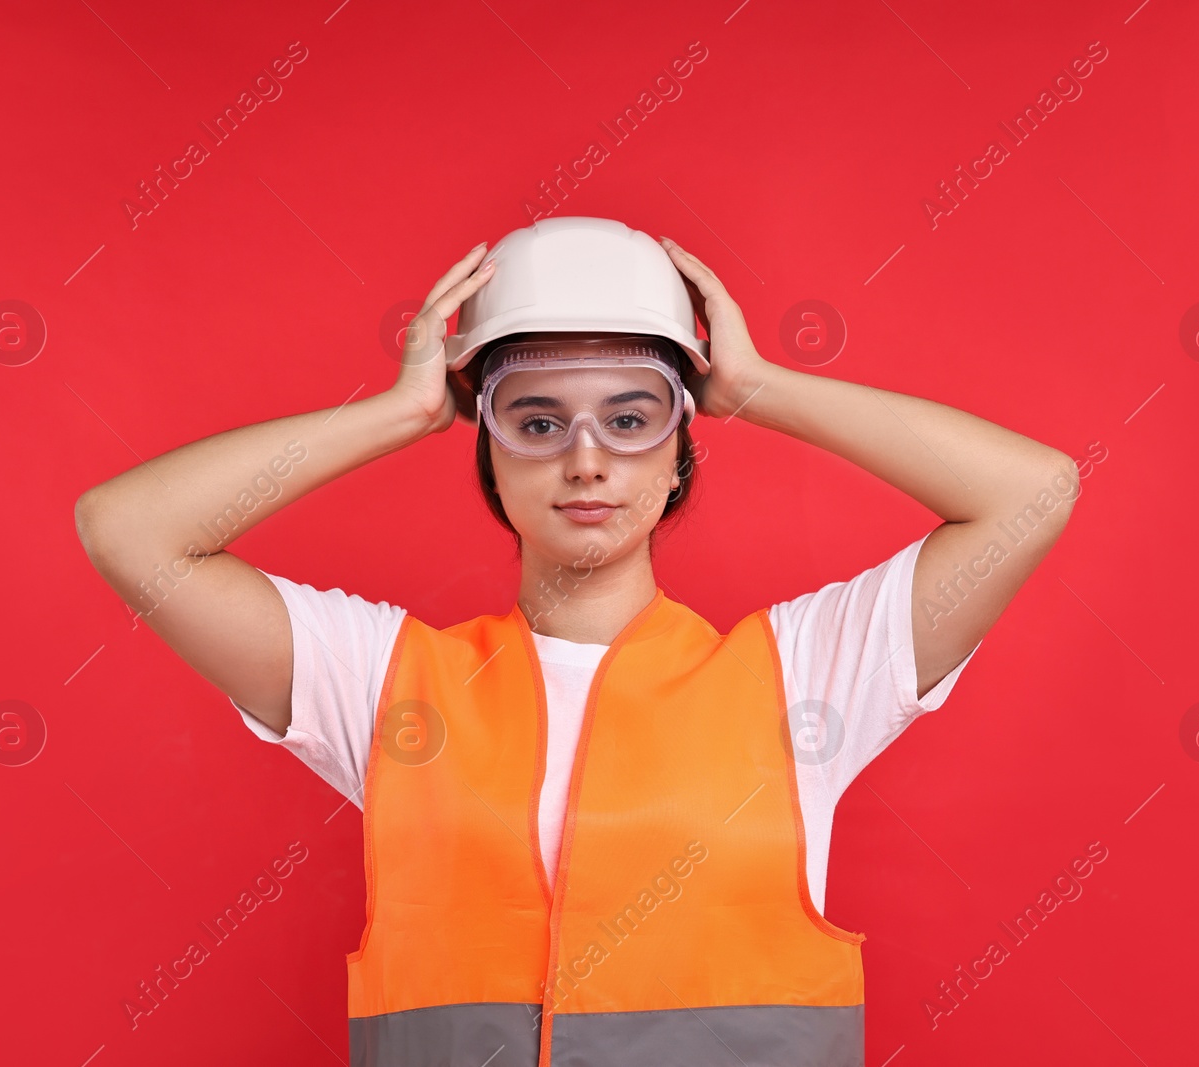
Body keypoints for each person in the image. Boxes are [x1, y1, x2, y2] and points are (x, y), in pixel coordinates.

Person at [74, 216, 1079, 1066]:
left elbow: (1031, 493)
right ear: (487, 446)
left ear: (681, 447)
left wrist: (758, 387)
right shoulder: (383, 684)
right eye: (538, 421)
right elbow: (129, 529)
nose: (587, 459)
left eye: (632, 418)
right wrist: (400, 411)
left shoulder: (800, 675)